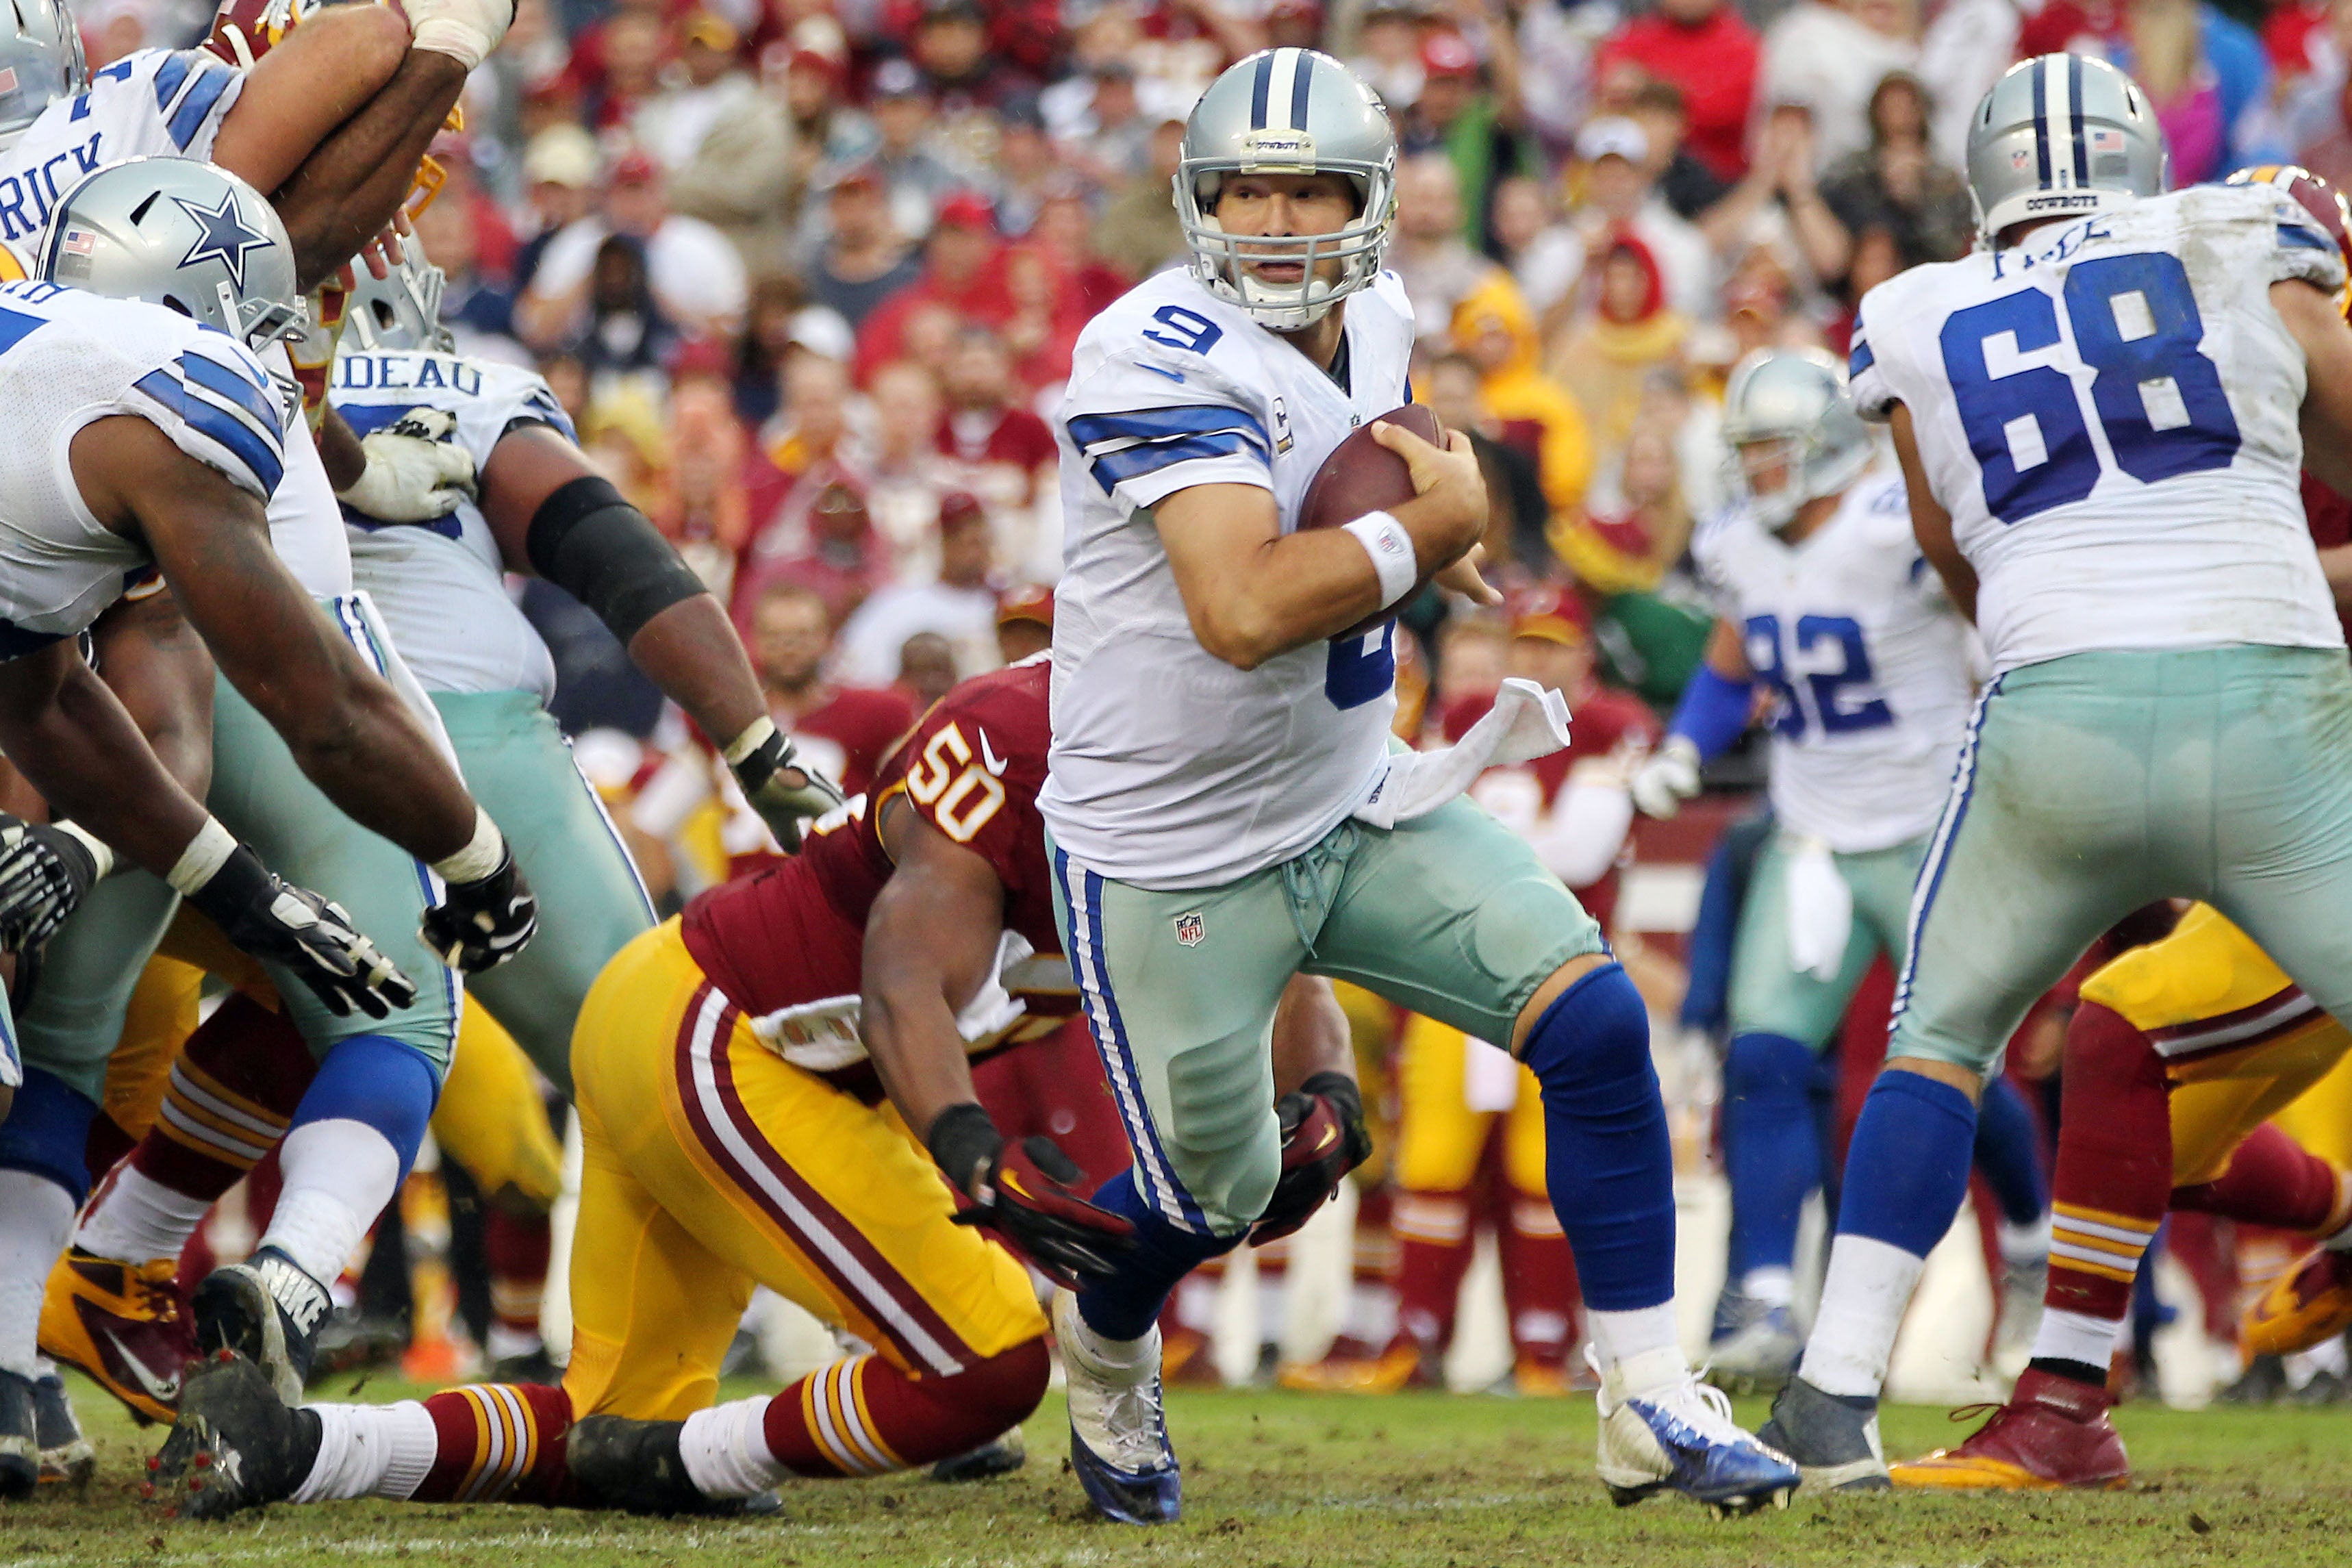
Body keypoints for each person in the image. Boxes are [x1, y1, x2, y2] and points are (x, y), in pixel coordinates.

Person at [1041, 47, 1797, 1526]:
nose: (1270, 218)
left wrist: (1424, 535)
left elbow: (1361, 460)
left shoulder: (1376, 311)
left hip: (1346, 790)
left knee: (1589, 1018)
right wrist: (1436, 517)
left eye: (1303, 186)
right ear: (1199, 202)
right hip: (1176, 848)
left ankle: (1643, 1388)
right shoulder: (1151, 350)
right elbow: (1241, 607)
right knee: (1216, 1194)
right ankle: (1102, 1340)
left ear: (1366, 200)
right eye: (1242, 189)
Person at [144, 658, 1346, 1520]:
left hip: (690, 1023)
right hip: (728, 1036)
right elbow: (900, 983)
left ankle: (287, 1446)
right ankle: (693, 1460)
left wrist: (1327, 1085)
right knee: (991, 1363)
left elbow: (1286, 943)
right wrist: (970, 1142)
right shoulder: (1024, 736)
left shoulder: (1229, 776)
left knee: (597, 1421)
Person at [1755, 53, 2352, 1492]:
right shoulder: (2239, 221)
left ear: (1982, 192)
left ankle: (1831, 1399)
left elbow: (1947, 544)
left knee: (1937, 1036)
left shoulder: (1907, 309)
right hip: (2267, 692)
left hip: (2050, 702)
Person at [0, 156, 531, 1493]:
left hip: (97, 710)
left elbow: (54, 690)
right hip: (246, 700)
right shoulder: (201, 399)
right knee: (401, 1005)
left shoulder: (49, 347)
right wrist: (474, 849)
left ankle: (23, 1352)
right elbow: (314, 702)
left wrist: (195, 877)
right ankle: (287, 1278)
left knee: (53, 1037)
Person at [1631, 348, 2048, 1389]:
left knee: (1962, 1060)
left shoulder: (1895, 525)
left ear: (1823, 445)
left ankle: (2033, 1237)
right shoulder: (1738, 545)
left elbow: (1990, 596)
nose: (1758, 472)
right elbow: (1739, 653)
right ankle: (1767, 1292)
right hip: (1813, 837)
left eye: (1772, 450)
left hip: (1932, 833)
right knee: (1766, 1054)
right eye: (1749, 453)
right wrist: (1689, 743)